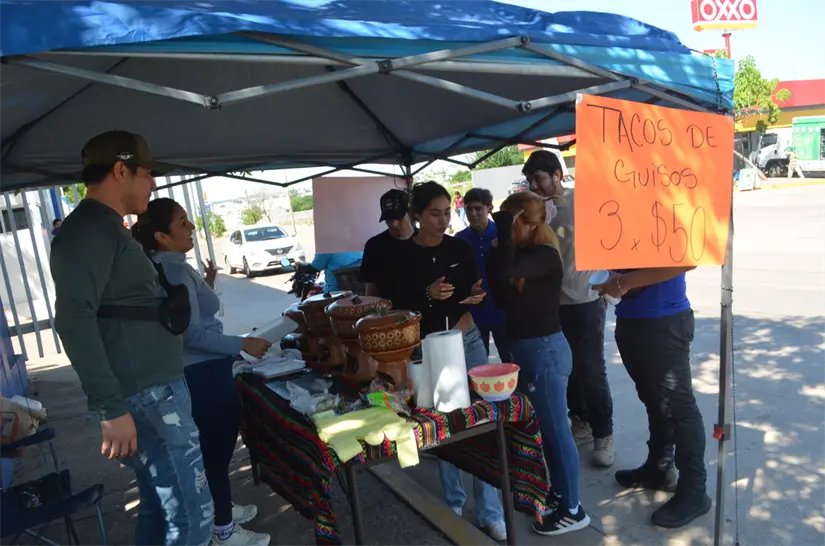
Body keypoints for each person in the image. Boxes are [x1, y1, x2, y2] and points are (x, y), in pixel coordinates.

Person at [49, 130, 214, 546]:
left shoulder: (104, 228)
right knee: (192, 516)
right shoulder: (87, 231)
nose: (154, 182)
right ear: (121, 170)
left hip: (151, 390)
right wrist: (109, 406)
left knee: (163, 507)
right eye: (147, 173)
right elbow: (73, 319)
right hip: (147, 394)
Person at [131, 198, 272, 546]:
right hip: (202, 372)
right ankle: (222, 529)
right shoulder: (174, 271)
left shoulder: (169, 265)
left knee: (214, 450)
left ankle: (217, 508)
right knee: (215, 450)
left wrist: (207, 279)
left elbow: (195, 313)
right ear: (163, 236)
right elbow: (191, 335)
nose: (191, 227)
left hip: (202, 370)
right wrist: (242, 343)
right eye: (182, 222)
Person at [392, 181, 507, 541]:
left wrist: (475, 294)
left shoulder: (459, 246)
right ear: (417, 215)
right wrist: (426, 294)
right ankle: (453, 500)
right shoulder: (403, 255)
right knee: (442, 422)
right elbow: (397, 304)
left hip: (467, 338)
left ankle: (491, 510)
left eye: (446, 213)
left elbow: (474, 285)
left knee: (483, 418)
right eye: (434, 214)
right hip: (427, 347)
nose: (443, 220)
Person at [487, 191, 590, 537]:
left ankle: (574, 510)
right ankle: (559, 493)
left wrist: (503, 232)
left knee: (557, 431)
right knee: (546, 430)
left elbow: (509, 272)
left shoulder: (546, 254)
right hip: (528, 351)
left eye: (507, 222)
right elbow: (501, 293)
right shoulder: (523, 255)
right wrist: (500, 247)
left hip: (545, 351)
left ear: (522, 222)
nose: (502, 230)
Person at [593, 266, 711, 528]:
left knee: (679, 409)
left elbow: (686, 259)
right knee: (653, 401)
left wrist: (624, 282)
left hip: (664, 320)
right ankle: (659, 468)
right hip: (631, 317)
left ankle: (695, 491)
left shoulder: (670, 222)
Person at [523, 150, 615, 467]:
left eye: (540, 178)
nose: (534, 184)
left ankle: (604, 431)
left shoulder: (581, 201)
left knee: (591, 368)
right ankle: (582, 421)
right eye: (530, 179)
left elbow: (609, 234)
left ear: (558, 176)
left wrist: (609, 282)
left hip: (586, 300)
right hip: (551, 304)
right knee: (565, 369)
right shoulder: (532, 210)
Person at [455, 188, 510, 362]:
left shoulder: (503, 236)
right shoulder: (459, 240)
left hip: (504, 309)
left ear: (489, 208)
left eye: (478, 208)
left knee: (512, 363)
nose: (473, 213)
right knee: (477, 366)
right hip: (474, 313)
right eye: (469, 209)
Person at [360, 188, 416, 299]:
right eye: (389, 219)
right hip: (387, 313)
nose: (394, 224)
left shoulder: (427, 240)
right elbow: (370, 287)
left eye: (399, 218)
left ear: (410, 214)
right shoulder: (374, 246)